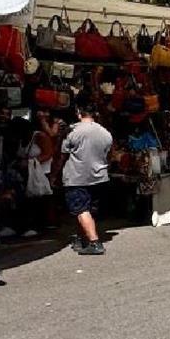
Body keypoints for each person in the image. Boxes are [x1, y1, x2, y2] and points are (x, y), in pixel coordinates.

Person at [62, 105, 113, 255]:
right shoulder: (105, 133)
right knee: (88, 209)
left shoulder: (73, 131)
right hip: (99, 176)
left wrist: (54, 174)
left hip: (77, 177)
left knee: (81, 209)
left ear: (79, 114)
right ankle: (81, 237)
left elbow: (63, 154)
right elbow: (109, 155)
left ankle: (94, 242)